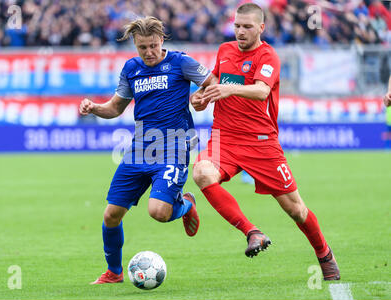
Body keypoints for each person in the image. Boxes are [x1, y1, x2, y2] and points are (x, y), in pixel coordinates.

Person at [190, 3, 340, 281]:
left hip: (261, 142)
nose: (240, 31)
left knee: (295, 209)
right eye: (237, 26)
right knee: (201, 172)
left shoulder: (268, 55)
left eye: (247, 26)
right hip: (224, 137)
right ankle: (252, 232)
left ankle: (324, 254)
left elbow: (261, 91)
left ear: (261, 27)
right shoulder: (224, 50)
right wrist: (199, 97)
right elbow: (213, 84)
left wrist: (227, 88)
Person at [79, 16, 215, 284]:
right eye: (143, 47)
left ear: (161, 40)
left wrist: (200, 97)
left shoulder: (180, 62)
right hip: (139, 150)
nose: (149, 52)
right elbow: (116, 107)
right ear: (135, 45)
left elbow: (213, 82)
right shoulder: (131, 68)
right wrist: (95, 107)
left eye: (153, 45)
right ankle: (114, 273)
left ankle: (186, 205)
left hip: (174, 147)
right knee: (111, 215)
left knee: (158, 212)